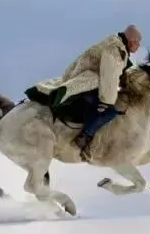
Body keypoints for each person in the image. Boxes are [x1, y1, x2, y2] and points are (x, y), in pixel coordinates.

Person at [31, 24, 142, 161]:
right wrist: (107, 102)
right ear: (131, 41)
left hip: (88, 81)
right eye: (138, 43)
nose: (139, 46)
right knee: (109, 111)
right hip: (87, 82)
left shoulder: (117, 46)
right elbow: (109, 77)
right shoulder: (115, 50)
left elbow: (116, 73)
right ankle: (84, 138)